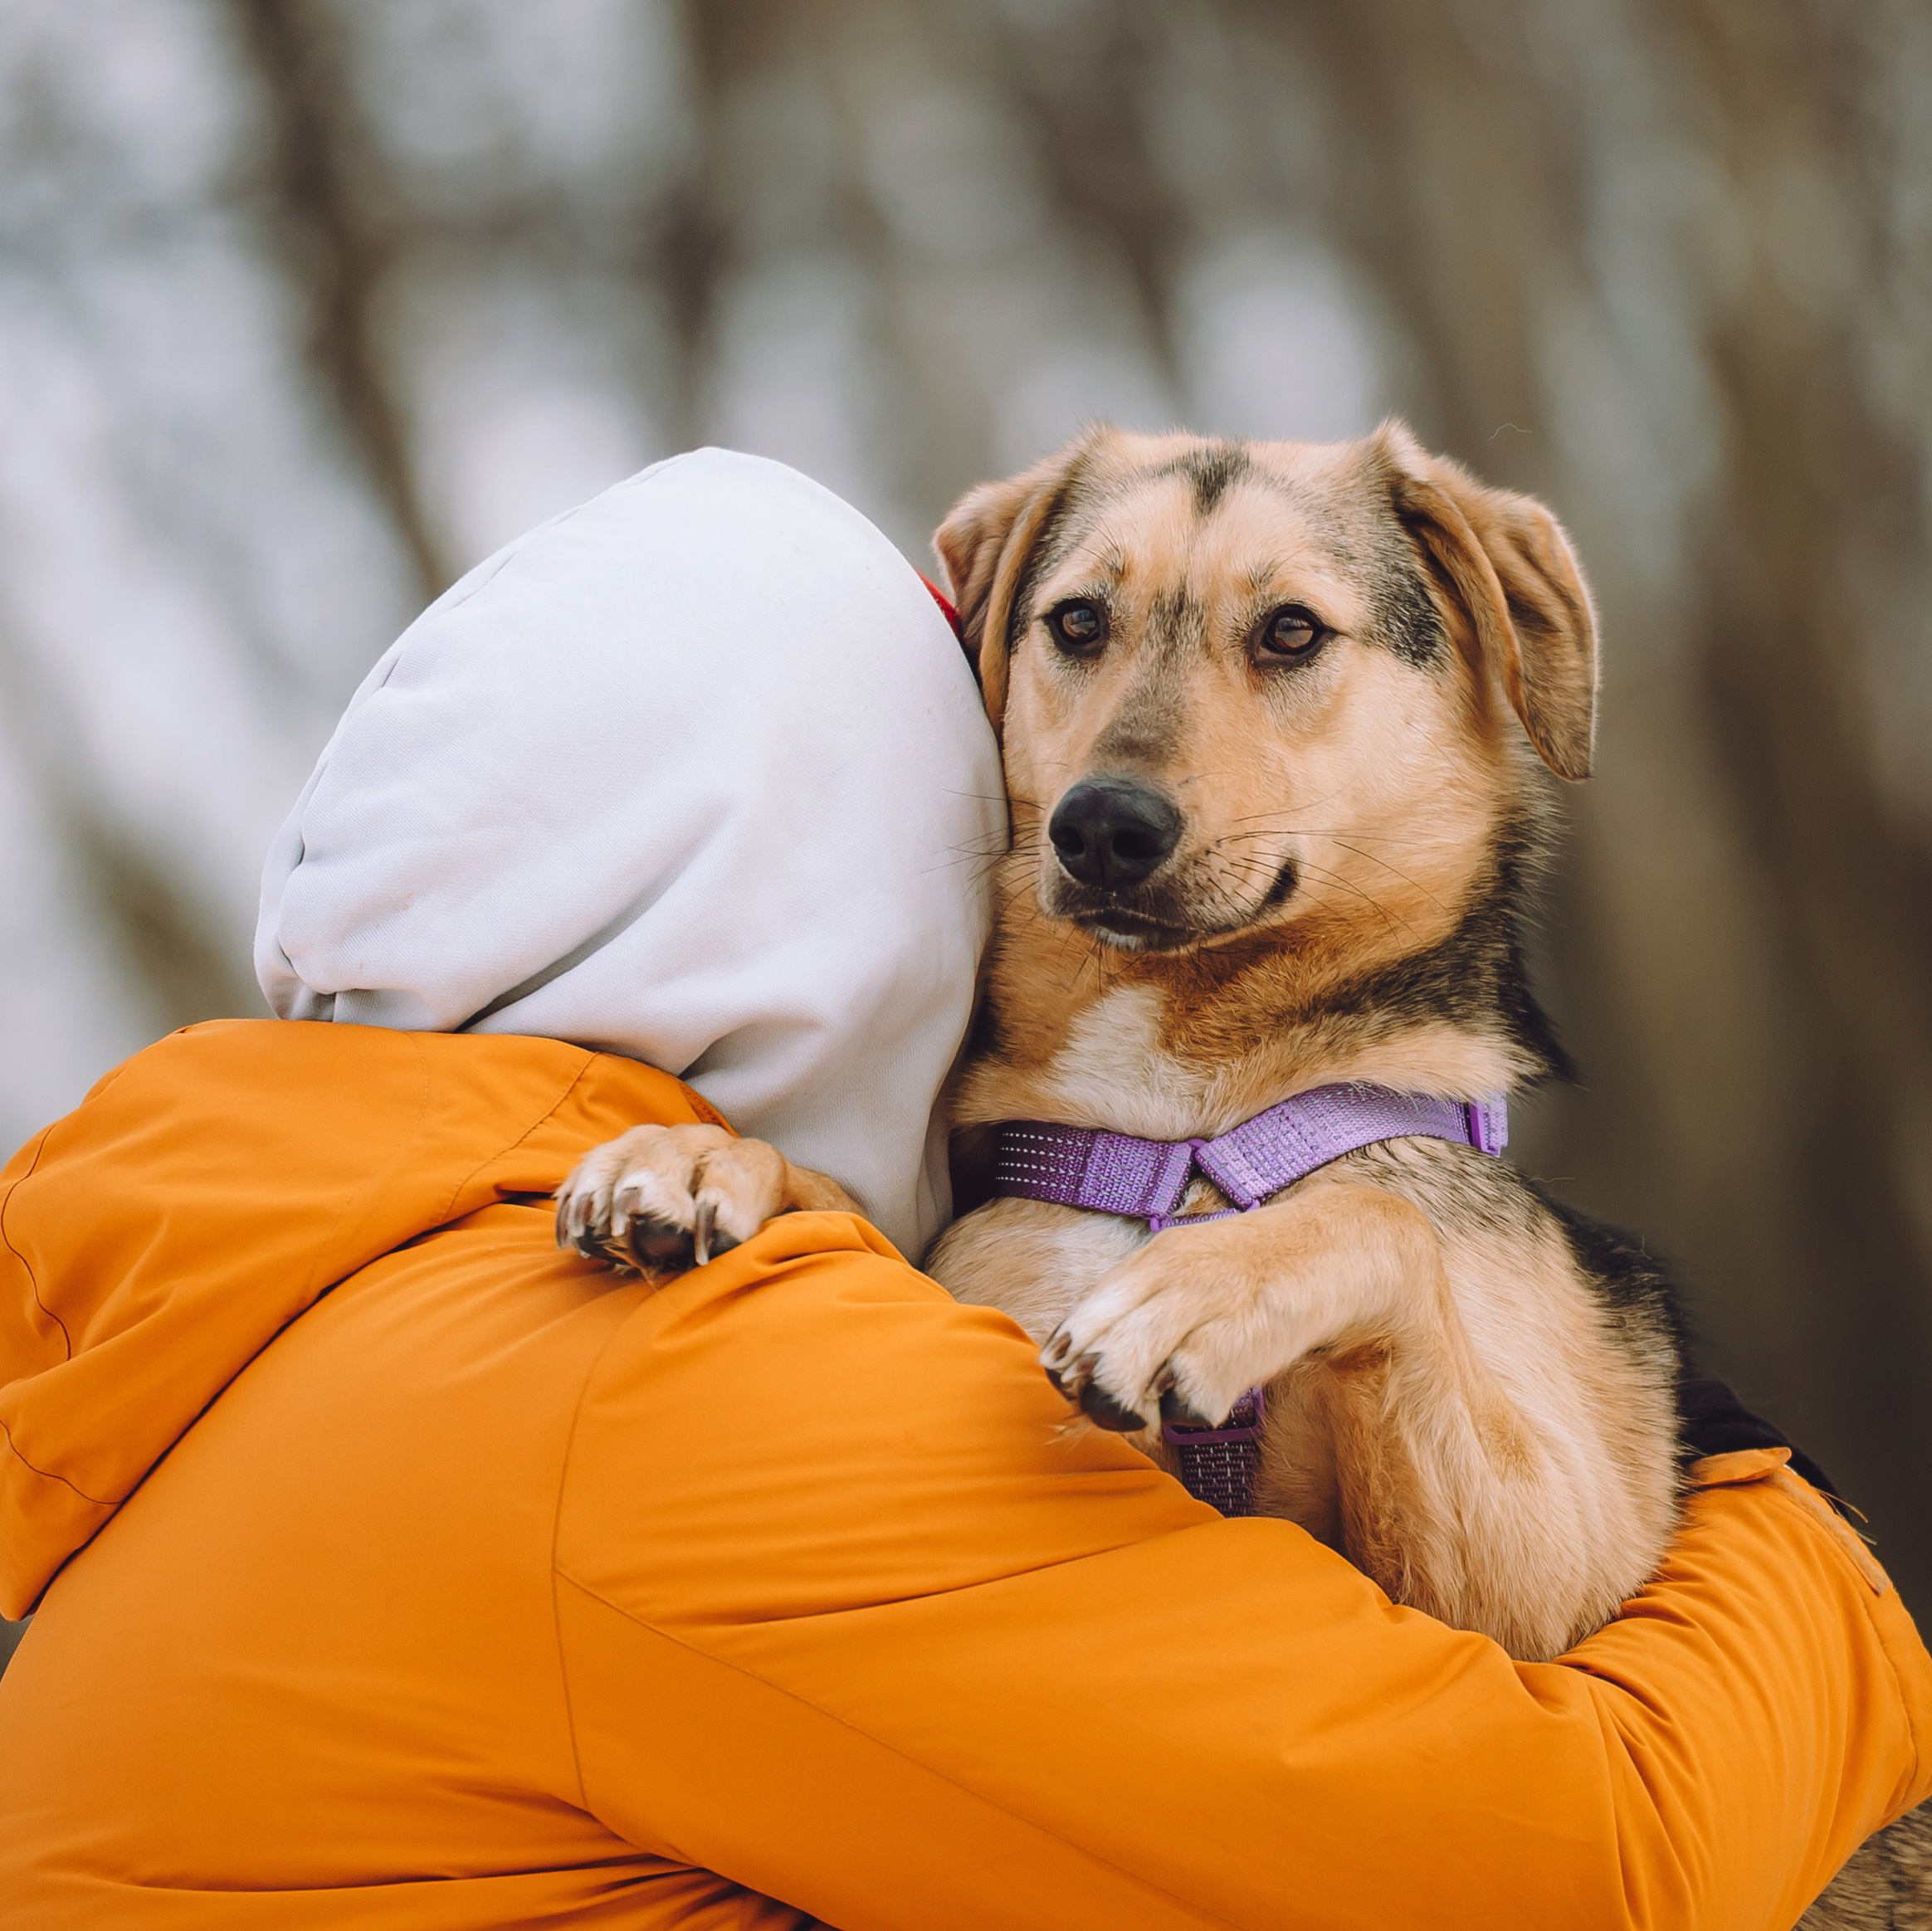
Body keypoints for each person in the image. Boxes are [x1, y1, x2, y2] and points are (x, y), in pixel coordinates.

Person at [0, 451, 1925, 1930]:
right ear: (836, 893)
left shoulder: (294, 1306)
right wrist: (1792, 1540)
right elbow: (1588, 1867)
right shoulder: (653, 1383)